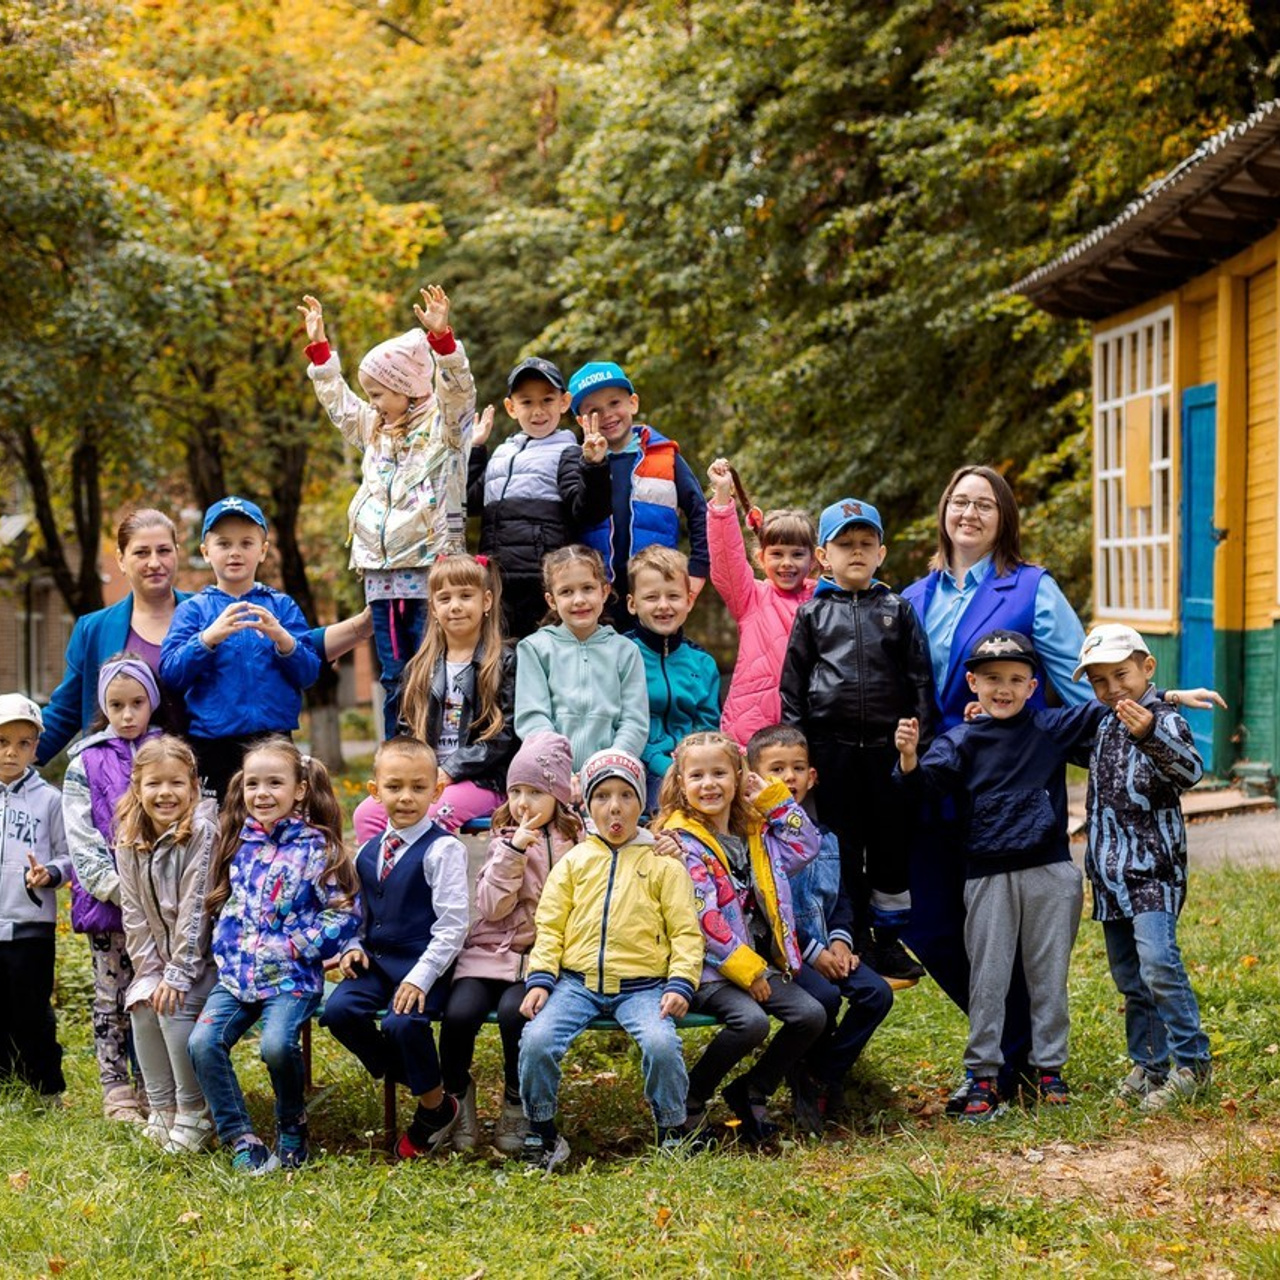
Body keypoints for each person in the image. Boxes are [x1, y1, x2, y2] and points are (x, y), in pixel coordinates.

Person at [895, 630, 1107, 1122]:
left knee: (1047, 976)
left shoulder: (1051, 728)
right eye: (992, 679)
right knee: (987, 978)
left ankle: (1048, 1068)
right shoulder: (962, 739)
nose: (1003, 688)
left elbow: (1107, 709)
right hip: (988, 875)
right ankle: (984, 1075)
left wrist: (1168, 698)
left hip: (1051, 871)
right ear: (973, 683)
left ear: (1034, 686)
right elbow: (923, 788)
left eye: (1016, 679)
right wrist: (908, 759)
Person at [37, 508, 372, 766]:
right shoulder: (95, 629)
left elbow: (292, 648)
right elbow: (66, 710)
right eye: (141, 553)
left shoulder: (208, 610)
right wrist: (16, 752)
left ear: (178, 554)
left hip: (196, 766)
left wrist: (363, 625)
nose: (155, 562)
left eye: (164, 550)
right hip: (123, 773)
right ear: (121, 560)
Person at [299, 288, 477, 731]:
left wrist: (444, 346)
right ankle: (397, 759)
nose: (372, 401)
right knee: (394, 674)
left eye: (379, 392)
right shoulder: (375, 431)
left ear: (407, 389)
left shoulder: (445, 431)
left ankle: (440, 753)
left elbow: (460, 395)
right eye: (370, 393)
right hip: (381, 576)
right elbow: (340, 407)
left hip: (430, 572)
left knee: (434, 669)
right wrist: (321, 355)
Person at [518, 749, 704, 1172]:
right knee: (538, 1040)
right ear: (587, 806)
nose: (615, 807)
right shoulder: (574, 863)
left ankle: (672, 1130)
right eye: (603, 797)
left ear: (642, 803)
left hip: (644, 987)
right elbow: (549, 927)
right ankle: (542, 1132)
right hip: (576, 983)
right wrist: (542, 979)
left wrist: (680, 983)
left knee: (661, 1044)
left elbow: (685, 932)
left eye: (626, 796)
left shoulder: (663, 864)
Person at [780, 497, 936, 980]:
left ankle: (889, 941)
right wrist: (801, 759)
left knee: (890, 847)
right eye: (845, 544)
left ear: (881, 552)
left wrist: (918, 744)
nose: (856, 552)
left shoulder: (898, 609)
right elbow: (793, 688)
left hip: (889, 754)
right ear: (823, 555)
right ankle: (855, 936)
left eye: (866, 544)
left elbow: (920, 681)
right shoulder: (812, 615)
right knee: (843, 846)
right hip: (833, 751)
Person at [188, 738, 360, 1173]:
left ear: (300, 789)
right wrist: (226, 949)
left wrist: (293, 946)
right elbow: (225, 903)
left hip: (291, 980)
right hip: (238, 980)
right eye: (252, 784)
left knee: (276, 1046)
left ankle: (291, 1124)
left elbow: (342, 915)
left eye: (275, 783)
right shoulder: (237, 841)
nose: (261, 793)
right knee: (203, 1042)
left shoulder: (316, 847)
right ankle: (241, 1137)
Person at [656, 731, 825, 1143]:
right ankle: (690, 1098)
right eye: (696, 775)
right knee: (750, 1023)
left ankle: (752, 1089)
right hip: (709, 970)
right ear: (680, 783)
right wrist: (750, 972)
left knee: (811, 1015)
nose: (709, 784)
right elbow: (704, 919)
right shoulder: (682, 842)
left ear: (738, 777)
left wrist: (772, 800)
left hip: (757, 963)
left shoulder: (755, 830)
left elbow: (807, 845)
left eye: (719, 773)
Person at [1074, 624, 1213, 1112]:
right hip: (1110, 876)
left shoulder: (1164, 720)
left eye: (1122, 675)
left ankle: (1192, 1064)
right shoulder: (1104, 722)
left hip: (1153, 871)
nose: (1113, 689)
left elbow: (1191, 771)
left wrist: (1152, 729)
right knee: (1130, 978)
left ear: (1146, 668)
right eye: (1100, 681)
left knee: (1158, 965)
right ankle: (1150, 1066)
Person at [320, 737, 469, 1160]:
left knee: (403, 1025)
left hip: (425, 965)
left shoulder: (443, 850)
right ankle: (437, 1095)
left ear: (436, 791)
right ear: (375, 791)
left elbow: (454, 925)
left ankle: (427, 1112)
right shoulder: (367, 850)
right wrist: (350, 945)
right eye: (395, 786)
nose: (406, 797)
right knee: (339, 1012)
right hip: (376, 963)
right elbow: (355, 914)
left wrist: (421, 977)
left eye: (418, 787)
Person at [439, 732, 582, 1154]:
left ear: (557, 794)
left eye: (535, 792)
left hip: (539, 958)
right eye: (516, 791)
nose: (523, 803)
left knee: (514, 1015)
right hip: (488, 951)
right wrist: (512, 854)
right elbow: (491, 907)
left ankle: (516, 1103)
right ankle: (457, 1098)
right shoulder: (503, 839)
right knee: (459, 1013)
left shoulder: (578, 844)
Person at [746, 724, 894, 1132]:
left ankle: (821, 1070)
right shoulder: (757, 842)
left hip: (830, 946)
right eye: (776, 770)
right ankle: (805, 1081)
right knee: (825, 997)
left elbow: (842, 899)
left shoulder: (825, 838)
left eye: (797, 768)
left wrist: (843, 943)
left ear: (812, 777)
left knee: (876, 994)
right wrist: (816, 953)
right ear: (754, 779)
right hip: (784, 953)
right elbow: (770, 912)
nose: (788, 777)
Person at [159, 497, 322, 803]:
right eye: (224, 544)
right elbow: (171, 673)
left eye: (246, 543)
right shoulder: (194, 611)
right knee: (220, 829)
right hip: (213, 743)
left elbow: (310, 672)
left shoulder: (282, 606)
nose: (235, 552)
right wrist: (207, 639)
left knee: (274, 819)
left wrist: (282, 639)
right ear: (206, 552)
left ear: (262, 551)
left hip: (274, 741)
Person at [61, 655, 164, 1123]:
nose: (127, 715)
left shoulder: (168, 752)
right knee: (110, 994)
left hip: (162, 905)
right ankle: (115, 1086)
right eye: (117, 705)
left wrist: (158, 892)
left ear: (152, 702)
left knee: (151, 992)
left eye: (137, 703)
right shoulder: (86, 759)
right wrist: (116, 889)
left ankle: (153, 1084)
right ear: (105, 705)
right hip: (109, 905)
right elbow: (80, 837)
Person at [352, 554, 517, 844]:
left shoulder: (502, 662)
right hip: (423, 780)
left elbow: (503, 737)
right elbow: (405, 732)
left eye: (466, 596)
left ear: (486, 601)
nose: (455, 606)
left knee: (429, 815)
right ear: (433, 607)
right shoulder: (420, 667)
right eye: (445, 598)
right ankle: (382, 885)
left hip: (481, 780)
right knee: (367, 815)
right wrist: (408, 773)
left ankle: (423, 885)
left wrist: (449, 771)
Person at [114, 735, 218, 1152]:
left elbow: (197, 910)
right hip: (159, 962)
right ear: (137, 788)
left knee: (171, 1002)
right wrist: (150, 972)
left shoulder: (202, 832)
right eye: (154, 783)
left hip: (206, 961)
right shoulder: (128, 837)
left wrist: (175, 973)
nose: (165, 793)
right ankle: (163, 1109)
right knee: (141, 1001)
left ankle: (195, 1112)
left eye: (176, 783)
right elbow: (134, 914)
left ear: (193, 786)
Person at [467, 357, 612, 637]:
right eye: (527, 402)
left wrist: (594, 466)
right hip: (496, 579)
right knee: (502, 657)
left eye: (547, 400)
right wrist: (476, 450)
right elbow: (471, 503)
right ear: (511, 408)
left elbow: (588, 511)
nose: (538, 411)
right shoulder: (501, 454)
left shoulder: (568, 452)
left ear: (564, 402)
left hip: (540, 581)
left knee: (543, 655)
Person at [567, 361, 709, 626]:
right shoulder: (577, 463)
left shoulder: (665, 455)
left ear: (633, 403)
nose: (607, 414)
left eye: (614, 403)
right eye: (594, 411)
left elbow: (700, 511)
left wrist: (699, 569)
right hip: (599, 594)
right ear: (580, 421)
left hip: (654, 589)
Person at [705, 459, 818, 745]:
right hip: (751, 732)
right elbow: (725, 560)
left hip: (806, 729)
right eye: (777, 554)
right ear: (761, 558)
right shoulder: (751, 598)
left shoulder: (824, 600)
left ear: (815, 558)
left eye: (797, 554)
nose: (787, 564)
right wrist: (721, 498)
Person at [514, 545, 648, 770]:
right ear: (551, 600)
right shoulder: (534, 649)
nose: (579, 600)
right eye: (566, 592)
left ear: (604, 592)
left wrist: (608, 765)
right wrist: (560, 767)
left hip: (612, 773)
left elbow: (634, 722)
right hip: (550, 771)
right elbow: (532, 718)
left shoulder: (626, 651)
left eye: (587, 588)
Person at [0, 695, 72, 1105]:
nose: (12, 751)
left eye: (24, 743)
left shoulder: (50, 800)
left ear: (36, 747)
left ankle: (47, 1088)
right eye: (2, 741)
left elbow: (68, 856)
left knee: (32, 1012)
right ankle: (6, 1085)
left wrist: (51, 872)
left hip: (32, 927)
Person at [624, 545, 721, 810]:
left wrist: (690, 767)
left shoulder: (702, 663)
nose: (664, 605)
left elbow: (707, 727)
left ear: (689, 601)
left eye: (673, 596)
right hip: (637, 765)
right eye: (652, 597)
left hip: (694, 770)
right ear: (632, 604)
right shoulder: (620, 655)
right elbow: (619, 722)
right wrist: (662, 763)